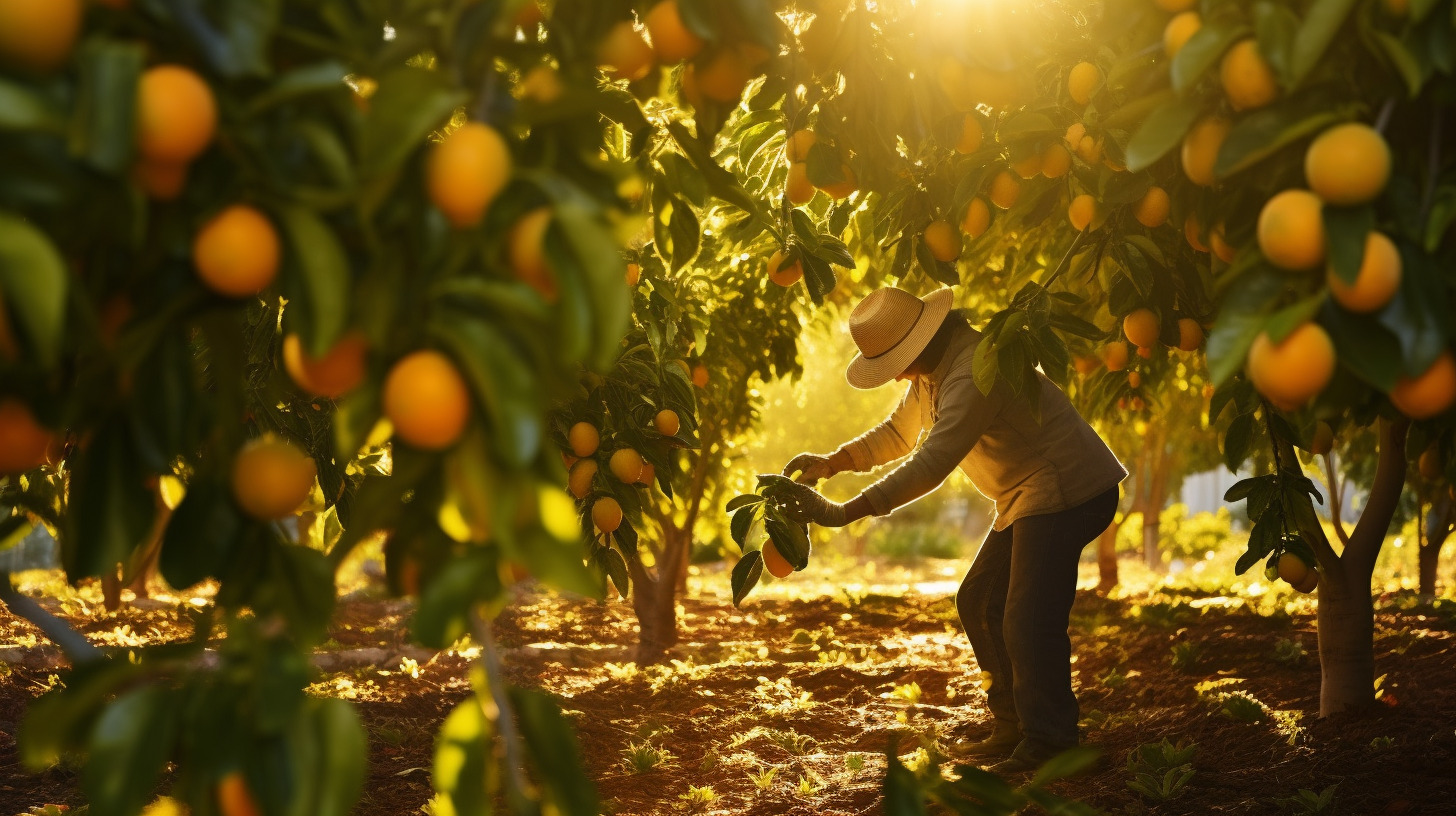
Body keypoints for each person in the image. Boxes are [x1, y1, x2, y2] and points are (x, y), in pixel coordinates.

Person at [777, 286, 1126, 773]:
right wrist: (835, 462)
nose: (896, 373)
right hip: (1026, 495)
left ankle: (1053, 741)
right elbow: (901, 433)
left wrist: (844, 512)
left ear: (919, 344)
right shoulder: (934, 370)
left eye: (896, 361)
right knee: (980, 601)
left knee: (1027, 619)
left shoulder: (973, 371)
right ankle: (1014, 723)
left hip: (1066, 489)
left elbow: (933, 462)